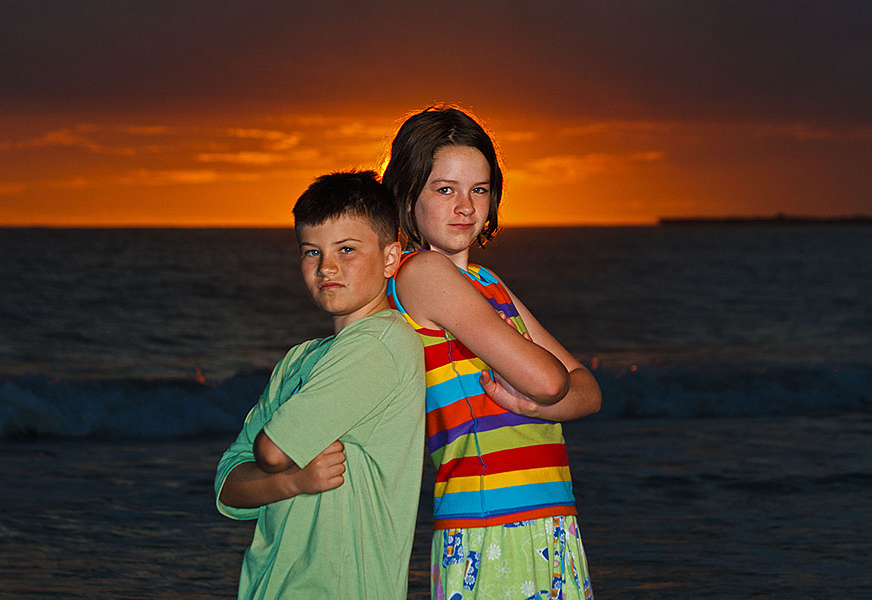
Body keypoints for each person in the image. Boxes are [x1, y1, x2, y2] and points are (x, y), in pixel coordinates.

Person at [383, 105, 602, 599]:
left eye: (478, 190)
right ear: (407, 194)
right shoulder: (422, 274)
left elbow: (587, 389)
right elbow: (552, 379)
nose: (465, 207)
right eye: (445, 189)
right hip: (489, 528)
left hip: (552, 520)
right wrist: (544, 393)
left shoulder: (486, 282)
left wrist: (532, 403)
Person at [214, 170, 426, 600]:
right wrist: (293, 482)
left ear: (390, 258)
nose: (326, 267)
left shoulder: (383, 343)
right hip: (268, 587)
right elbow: (227, 487)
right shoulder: (299, 359)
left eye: (347, 249)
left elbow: (271, 450)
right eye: (312, 251)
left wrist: (278, 465)